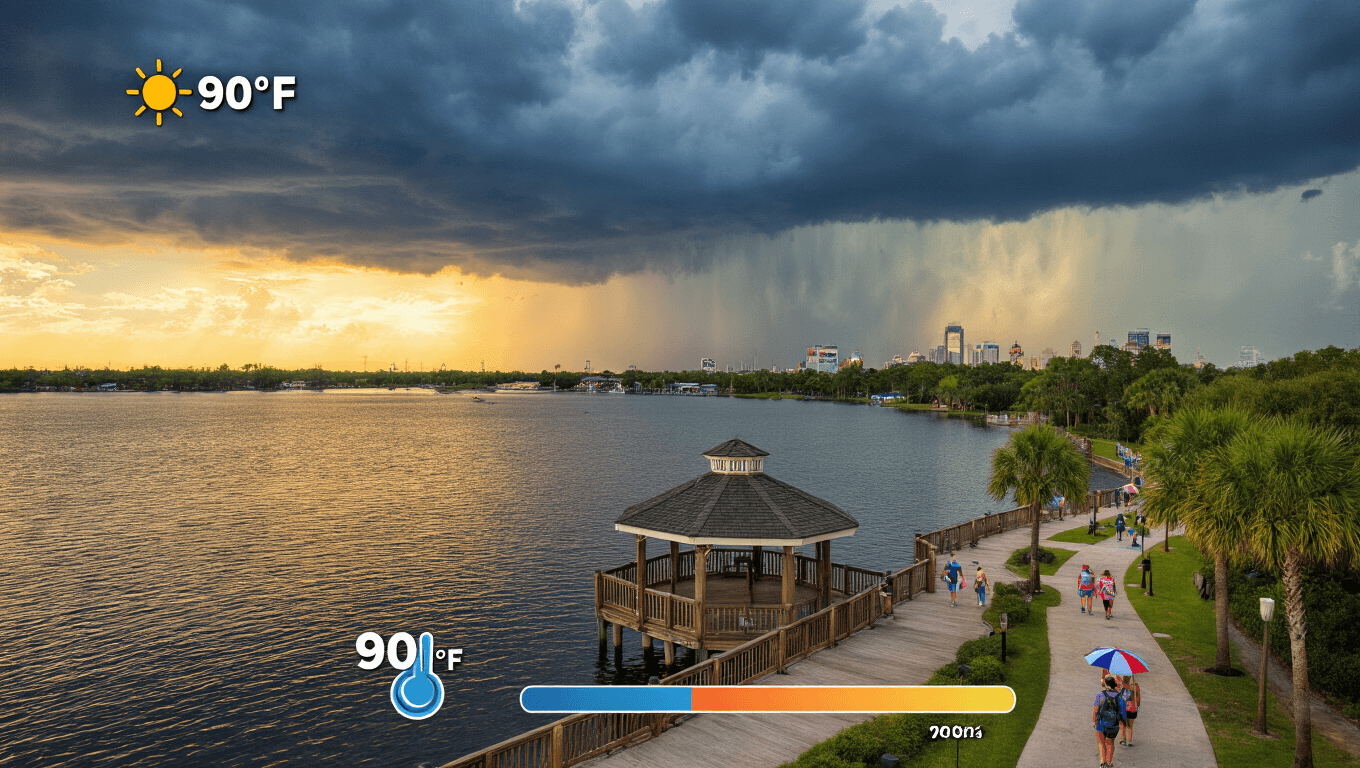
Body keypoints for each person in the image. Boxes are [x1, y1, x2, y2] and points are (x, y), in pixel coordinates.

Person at [1094, 675, 1128, 767]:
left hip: (1101, 723)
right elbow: (1123, 712)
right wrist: (1124, 723)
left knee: (1101, 743)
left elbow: (1096, 710)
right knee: (1110, 743)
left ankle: (1102, 761)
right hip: (1114, 725)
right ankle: (1109, 762)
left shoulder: (1100, 695)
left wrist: (1095, 721)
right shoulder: (1120, 697)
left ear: (1106, 684)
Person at [1119, 674, 1141, 747]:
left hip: (1124, 708)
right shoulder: (1136, 686)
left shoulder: (1123, 686)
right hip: (1133, 709)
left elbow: (1121, 698)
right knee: (1130, 725)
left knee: (1122, 724)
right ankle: (1129, 740)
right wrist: (1138, 706)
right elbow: (1138, 698)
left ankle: (1123, 739)